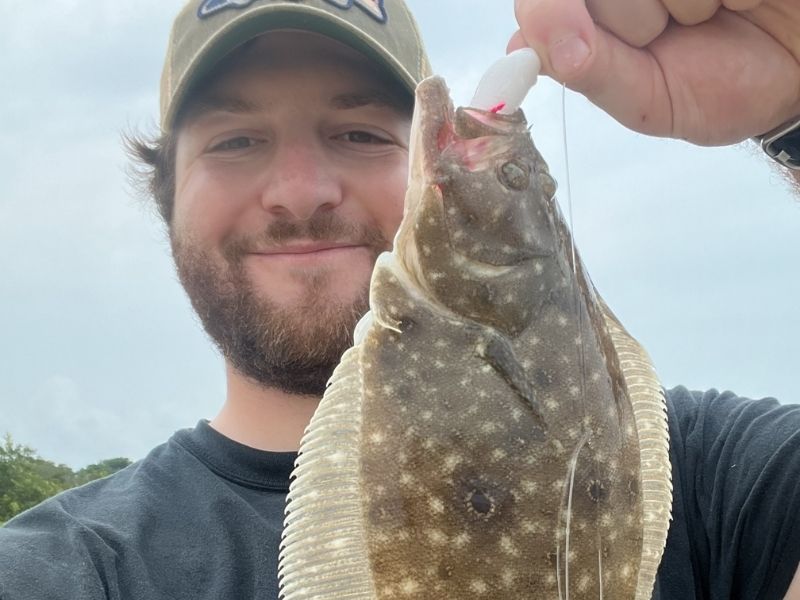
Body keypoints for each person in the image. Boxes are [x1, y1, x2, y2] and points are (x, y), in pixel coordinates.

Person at [0, 0, 798, 598]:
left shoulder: (716, 478)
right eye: (236, 141)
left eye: (359, 134)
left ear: (416, 165)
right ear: (167, 194)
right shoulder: (66, 570)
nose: (300, 191)